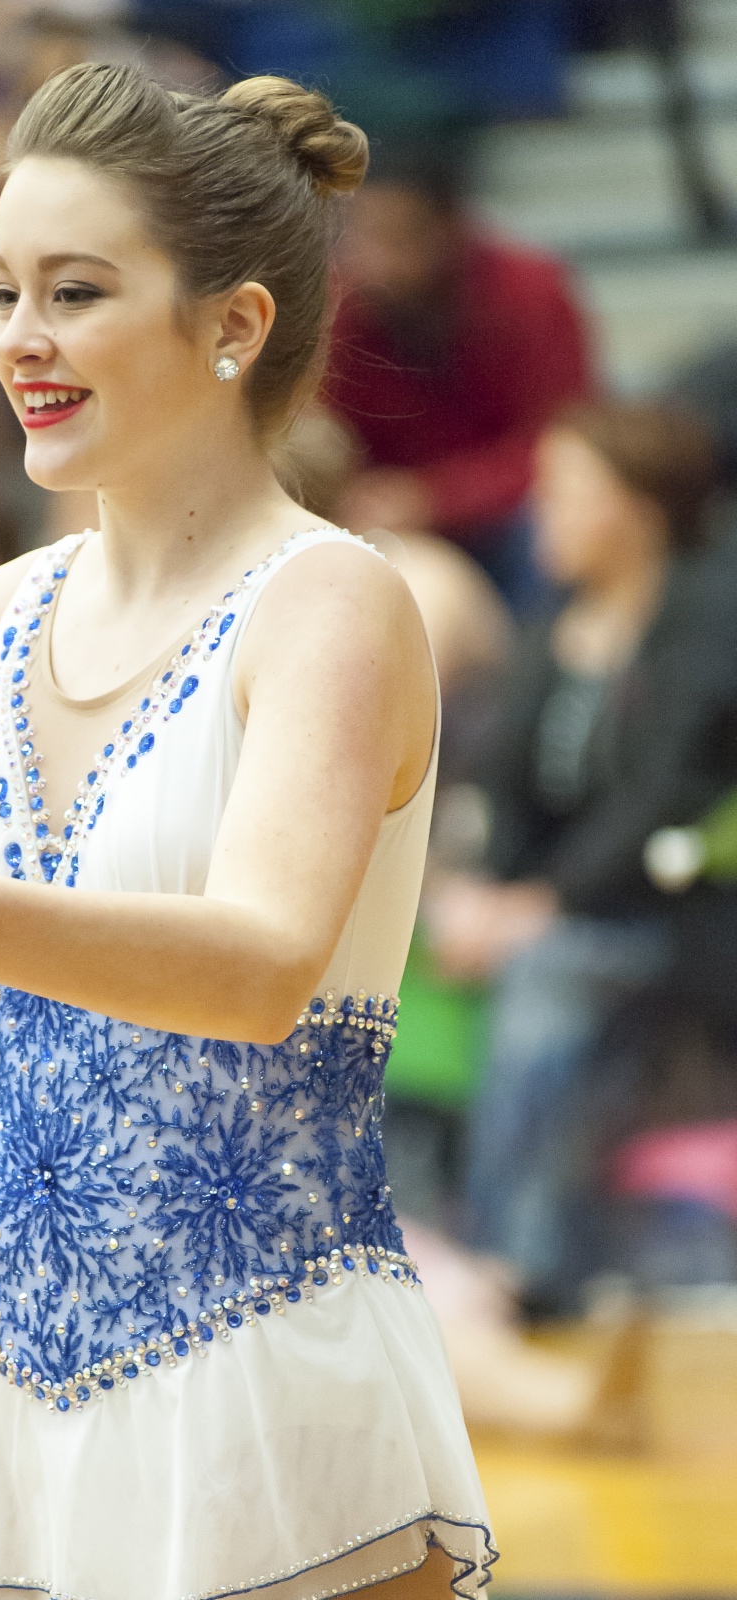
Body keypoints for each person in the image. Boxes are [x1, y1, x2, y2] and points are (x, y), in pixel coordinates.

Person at [0, 63, 496, 1596]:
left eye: (75, 291)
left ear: (233, 325)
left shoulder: (331, 605)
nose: (19, 343)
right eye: (0, 295)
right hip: (22, 1418)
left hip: (276, 1397)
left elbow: (257, 968)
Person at [427, 399, 737, 1300]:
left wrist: (541, 907)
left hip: (678, 906)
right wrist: (481, 893)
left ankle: (510, 1268)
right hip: (560, 904)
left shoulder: (711, 615)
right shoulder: (559, 618)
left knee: (550, 975)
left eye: (565, 490)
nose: (540, 512)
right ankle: (413, 1223)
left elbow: (665, 795)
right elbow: (505, 786)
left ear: (637, 506)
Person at [323, 143, 594, 610]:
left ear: (451, 227)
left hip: (509, 517)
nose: (375, 260)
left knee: (555, 524)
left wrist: (434, 498)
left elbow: (561, 442)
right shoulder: (340, 304)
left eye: (397, 237)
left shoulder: (531, 291)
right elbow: (319, 436)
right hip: (390, 522)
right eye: (361, 236)